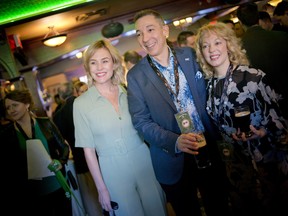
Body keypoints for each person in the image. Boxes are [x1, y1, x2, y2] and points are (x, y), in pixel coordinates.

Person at [127, 9, 231, 216]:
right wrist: (175, 141)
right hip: (172, 159)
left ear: (165, 30)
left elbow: (217, 88)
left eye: (150, 30)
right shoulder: (136, 76)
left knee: (219, 207)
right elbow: (141, 122)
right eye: (139, 33)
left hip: (208, 147)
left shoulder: (191, 56)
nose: (145, 38)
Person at [194, 22, 288, 216]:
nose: (211, 49)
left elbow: (279, 120)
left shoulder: (252, 77)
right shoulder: (209, 86)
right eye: (205, 45)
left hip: (264, 162)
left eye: (217, 42)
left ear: (228, 45)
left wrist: (263, 131)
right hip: (235, 166)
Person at [73, 39, 167, 216]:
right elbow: (88, 151)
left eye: (105, 61)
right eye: (93, 62)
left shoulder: (128, 91)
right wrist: (101, 189)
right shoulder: (80, 104)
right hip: (112, 169)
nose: (99, 67)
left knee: (158, 210)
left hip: (144, 160)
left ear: (114, 63)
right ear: (88, 67)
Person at [1, 89, 71, 216]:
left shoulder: (45, 123)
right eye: (8, 108)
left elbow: (64, 147)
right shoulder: (7, 135)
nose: (11, 110)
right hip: (32, 193)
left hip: (58, 184)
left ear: (27, 104)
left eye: (15, 105)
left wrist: (61, 161)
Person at [53, 81, 102, 216]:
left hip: (80, 161)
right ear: (75, 91)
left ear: (61, 97)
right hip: (99, 155)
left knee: (92, 200)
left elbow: (61, 142)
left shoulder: (57, 116)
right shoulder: (86, 104)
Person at [236, 2, 288, 119]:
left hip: (266, 104)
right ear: (258, 18)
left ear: (240, 22)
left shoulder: (239, 48)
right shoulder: (282, 36)